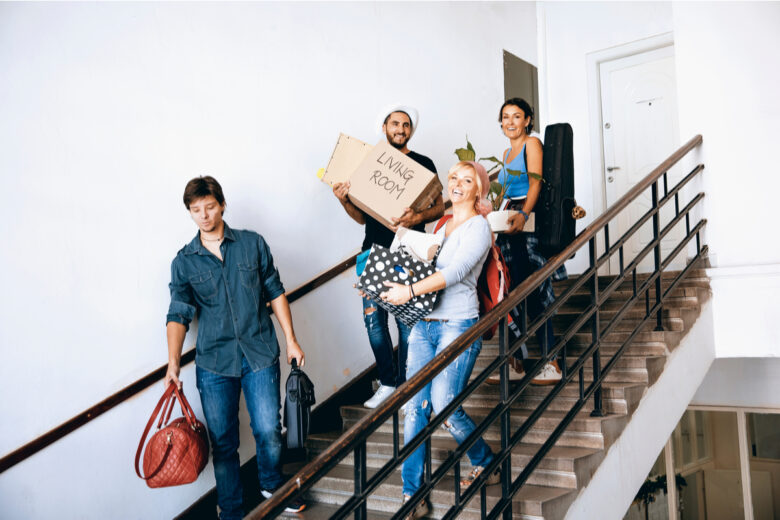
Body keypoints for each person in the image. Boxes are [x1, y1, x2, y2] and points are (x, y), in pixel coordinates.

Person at [164, 176, 306, 518]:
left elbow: (274, 292)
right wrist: (172, 363)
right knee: (223, 441)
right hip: (213, 362)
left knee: (268, 430)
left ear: (222, 204)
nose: (204, 215)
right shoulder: (184, 261)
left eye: (209, 207)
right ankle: (229, 508)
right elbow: (178, 314)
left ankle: (272, 485)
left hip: (259, 351)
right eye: (195, 210)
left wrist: (291, 339)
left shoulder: (252, 244)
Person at [380, 161, 499, 519]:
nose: (458, 184)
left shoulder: (479, 227)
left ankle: (484, 459)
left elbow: (455, 272)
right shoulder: (441, 225)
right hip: (423, 324)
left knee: (444, 403)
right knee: (414, 407)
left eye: (467, 180)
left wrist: (409, 290)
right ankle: (412, 494)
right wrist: (384, 284)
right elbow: (420, 265)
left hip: (457, 323)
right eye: (454, 178)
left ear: (479, 190)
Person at [332, 105, 444, 409]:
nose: (401, 129)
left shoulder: (422, 163)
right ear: (384, 127)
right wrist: (344, 201)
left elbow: (440, 208)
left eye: (406, 125)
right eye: (395, 123)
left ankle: (408, 388)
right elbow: (360, 218)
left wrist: (416, 215)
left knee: (407, 323)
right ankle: (388, 383)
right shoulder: (369, 164)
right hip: (372, 250)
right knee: (374, 322)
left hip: (409, 250)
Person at [486, 98, 567, 386]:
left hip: (527, 224)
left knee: (535, 291)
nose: (510, 122)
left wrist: (523, 213)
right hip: (509, 228)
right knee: (512, 294)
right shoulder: (507, 153)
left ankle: (553, 362)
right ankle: (516, 363)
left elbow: (535, 183)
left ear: (528, 120)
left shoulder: (532, 144)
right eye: (505, 116)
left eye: (516, 116)